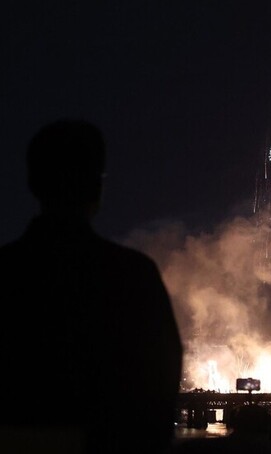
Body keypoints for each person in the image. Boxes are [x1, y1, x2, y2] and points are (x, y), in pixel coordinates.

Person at [0, 119, 184, 453]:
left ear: (32, 183)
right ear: (97, 188)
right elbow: (161, 382)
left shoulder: (5, 273)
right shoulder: (133, 276)